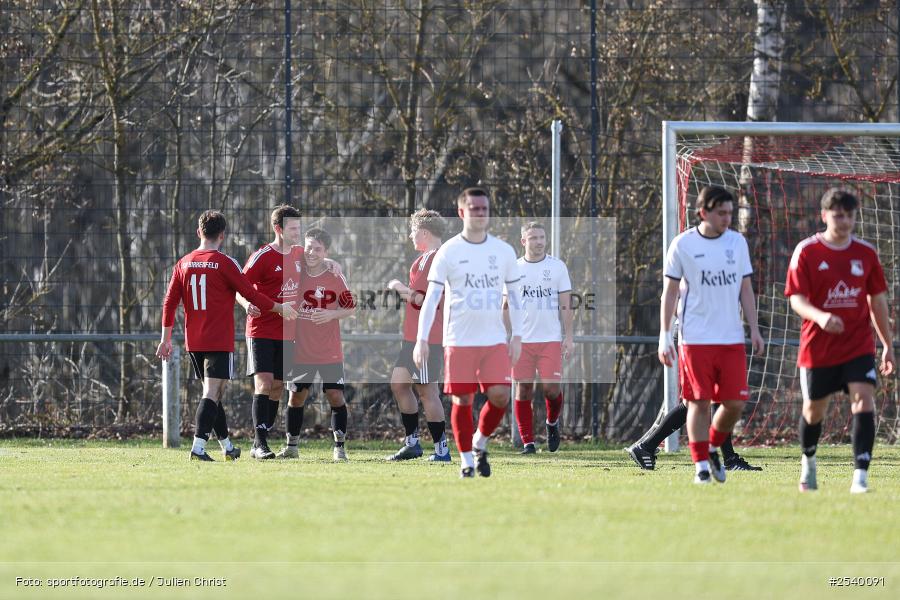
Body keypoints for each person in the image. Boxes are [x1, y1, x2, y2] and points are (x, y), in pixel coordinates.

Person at [156, 210, 298, 461]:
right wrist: (279, 307)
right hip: (218, 339)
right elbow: (250, 294)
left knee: (213, 392)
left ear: (199, 232)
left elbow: (169, 302)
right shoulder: (225, 263)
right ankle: (198, 447)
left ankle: (227, 446)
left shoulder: (183, 263)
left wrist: (165, 339)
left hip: (194, 340)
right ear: (222, 235)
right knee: (212, 392)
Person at [785, 188, 895, 494]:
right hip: (818, 347)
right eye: (837, 215)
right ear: (824, 216)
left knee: (864, 399)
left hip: (858, 344)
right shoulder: (807, 251)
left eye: (849, 215)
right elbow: (796, 299)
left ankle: (860, 478)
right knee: (814, 411)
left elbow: (877, 301)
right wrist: (820, 317)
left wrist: (887, 344)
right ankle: (808, 461)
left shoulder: (866, 253)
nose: (844, 221)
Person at [657, 186, 765, 485]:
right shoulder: (683, 245)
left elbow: (745, 288)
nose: (727, 218)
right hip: (695, 338)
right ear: (703, 212)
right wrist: (664, 335)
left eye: (730, 213)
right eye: (721, 213)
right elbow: (669, 293)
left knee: (734, 403)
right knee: (698, 403)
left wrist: (754, 328)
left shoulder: (737, 242)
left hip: (731, 338)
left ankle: (714, 446)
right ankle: (701, 467)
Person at [415, 187, 525, 478]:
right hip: (459, 340)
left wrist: (517, 336)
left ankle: (480, 441)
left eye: (484, 209)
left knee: (500, 396)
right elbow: (431, 298)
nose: (480, 214)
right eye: (474, 209)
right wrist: (421, 339)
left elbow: (515, 297)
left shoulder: (503, 251)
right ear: (462, 212)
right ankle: (466, 460)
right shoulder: (449, 251)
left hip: (494, 340)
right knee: (462, 400)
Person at [282, 227, 356, 461]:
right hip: (301, 350)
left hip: (328, 350)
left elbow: (350, 307)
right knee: (296, 397)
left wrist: (331, 314)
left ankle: (339, 448)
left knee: (335, 395)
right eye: (309, 247)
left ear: (326, 252)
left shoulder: (334, 276)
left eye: (317, 249)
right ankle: (291, 447)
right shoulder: (296, 271)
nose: (311, 253)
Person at [237, 205, 304, 460]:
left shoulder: (299, 254)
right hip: (261, 329)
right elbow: (238, 287)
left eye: (298, 228)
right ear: (278, 229)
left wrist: (334, 267)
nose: (297, 232)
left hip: (288, 332)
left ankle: (261, 436)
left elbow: (321, 265)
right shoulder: (262, 256)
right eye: (293, 228)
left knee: (277, 388)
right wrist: (246, 304)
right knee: (264, 383)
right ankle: (259, 443)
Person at [385, 209, 451, 462]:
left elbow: (422, 300)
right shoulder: (428, 258)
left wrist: (397, 286)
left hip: (428, 338)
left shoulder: (433, 258)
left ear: (424, 232)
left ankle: (441, 450)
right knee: (399, 384)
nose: (411, 236)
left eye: (413, 231)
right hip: (413, 337)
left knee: (426, 391)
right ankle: (412, 444)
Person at [506, 222, 573, 454]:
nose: (539, 242)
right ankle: (528, 443)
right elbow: (506, 306)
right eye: (533, 238)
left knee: (551, 390)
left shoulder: (557, 267)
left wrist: (569, 337)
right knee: (523, 389)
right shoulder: (513, 269)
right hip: (522, 341)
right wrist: (508, 336)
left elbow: (566, 305)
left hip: (550, 340)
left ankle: (552, 423)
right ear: (523, 241)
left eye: (542, 237)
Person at [625, 402, 762, 471]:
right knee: (700, 399)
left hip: (705, 353)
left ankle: (647, 447)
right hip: (699, 353)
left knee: (700, 400)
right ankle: (729, 459)